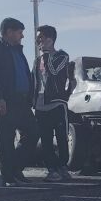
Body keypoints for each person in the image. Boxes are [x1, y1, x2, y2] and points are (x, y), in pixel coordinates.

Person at [0, 18, 38, 187]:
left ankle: (16, 168)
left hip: (22, 101)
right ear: (9, 32)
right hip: (5, 101)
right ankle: (9, 176)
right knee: (5, 139)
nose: (22, 36)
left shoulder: (18, 51)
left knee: (33, 133)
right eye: (19, 32)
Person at [33, 25, 75, 182]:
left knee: (62, 137)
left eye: (41, 38)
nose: (38, 42)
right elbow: (35, 81)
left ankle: (63, 167)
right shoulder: (37, 60)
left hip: (57, 103)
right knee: (45, 139)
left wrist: (48, 54)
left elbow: (55, 71)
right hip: (40, 104)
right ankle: (51, 169)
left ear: (50, 39)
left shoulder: (62, 56)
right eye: (37, 39)